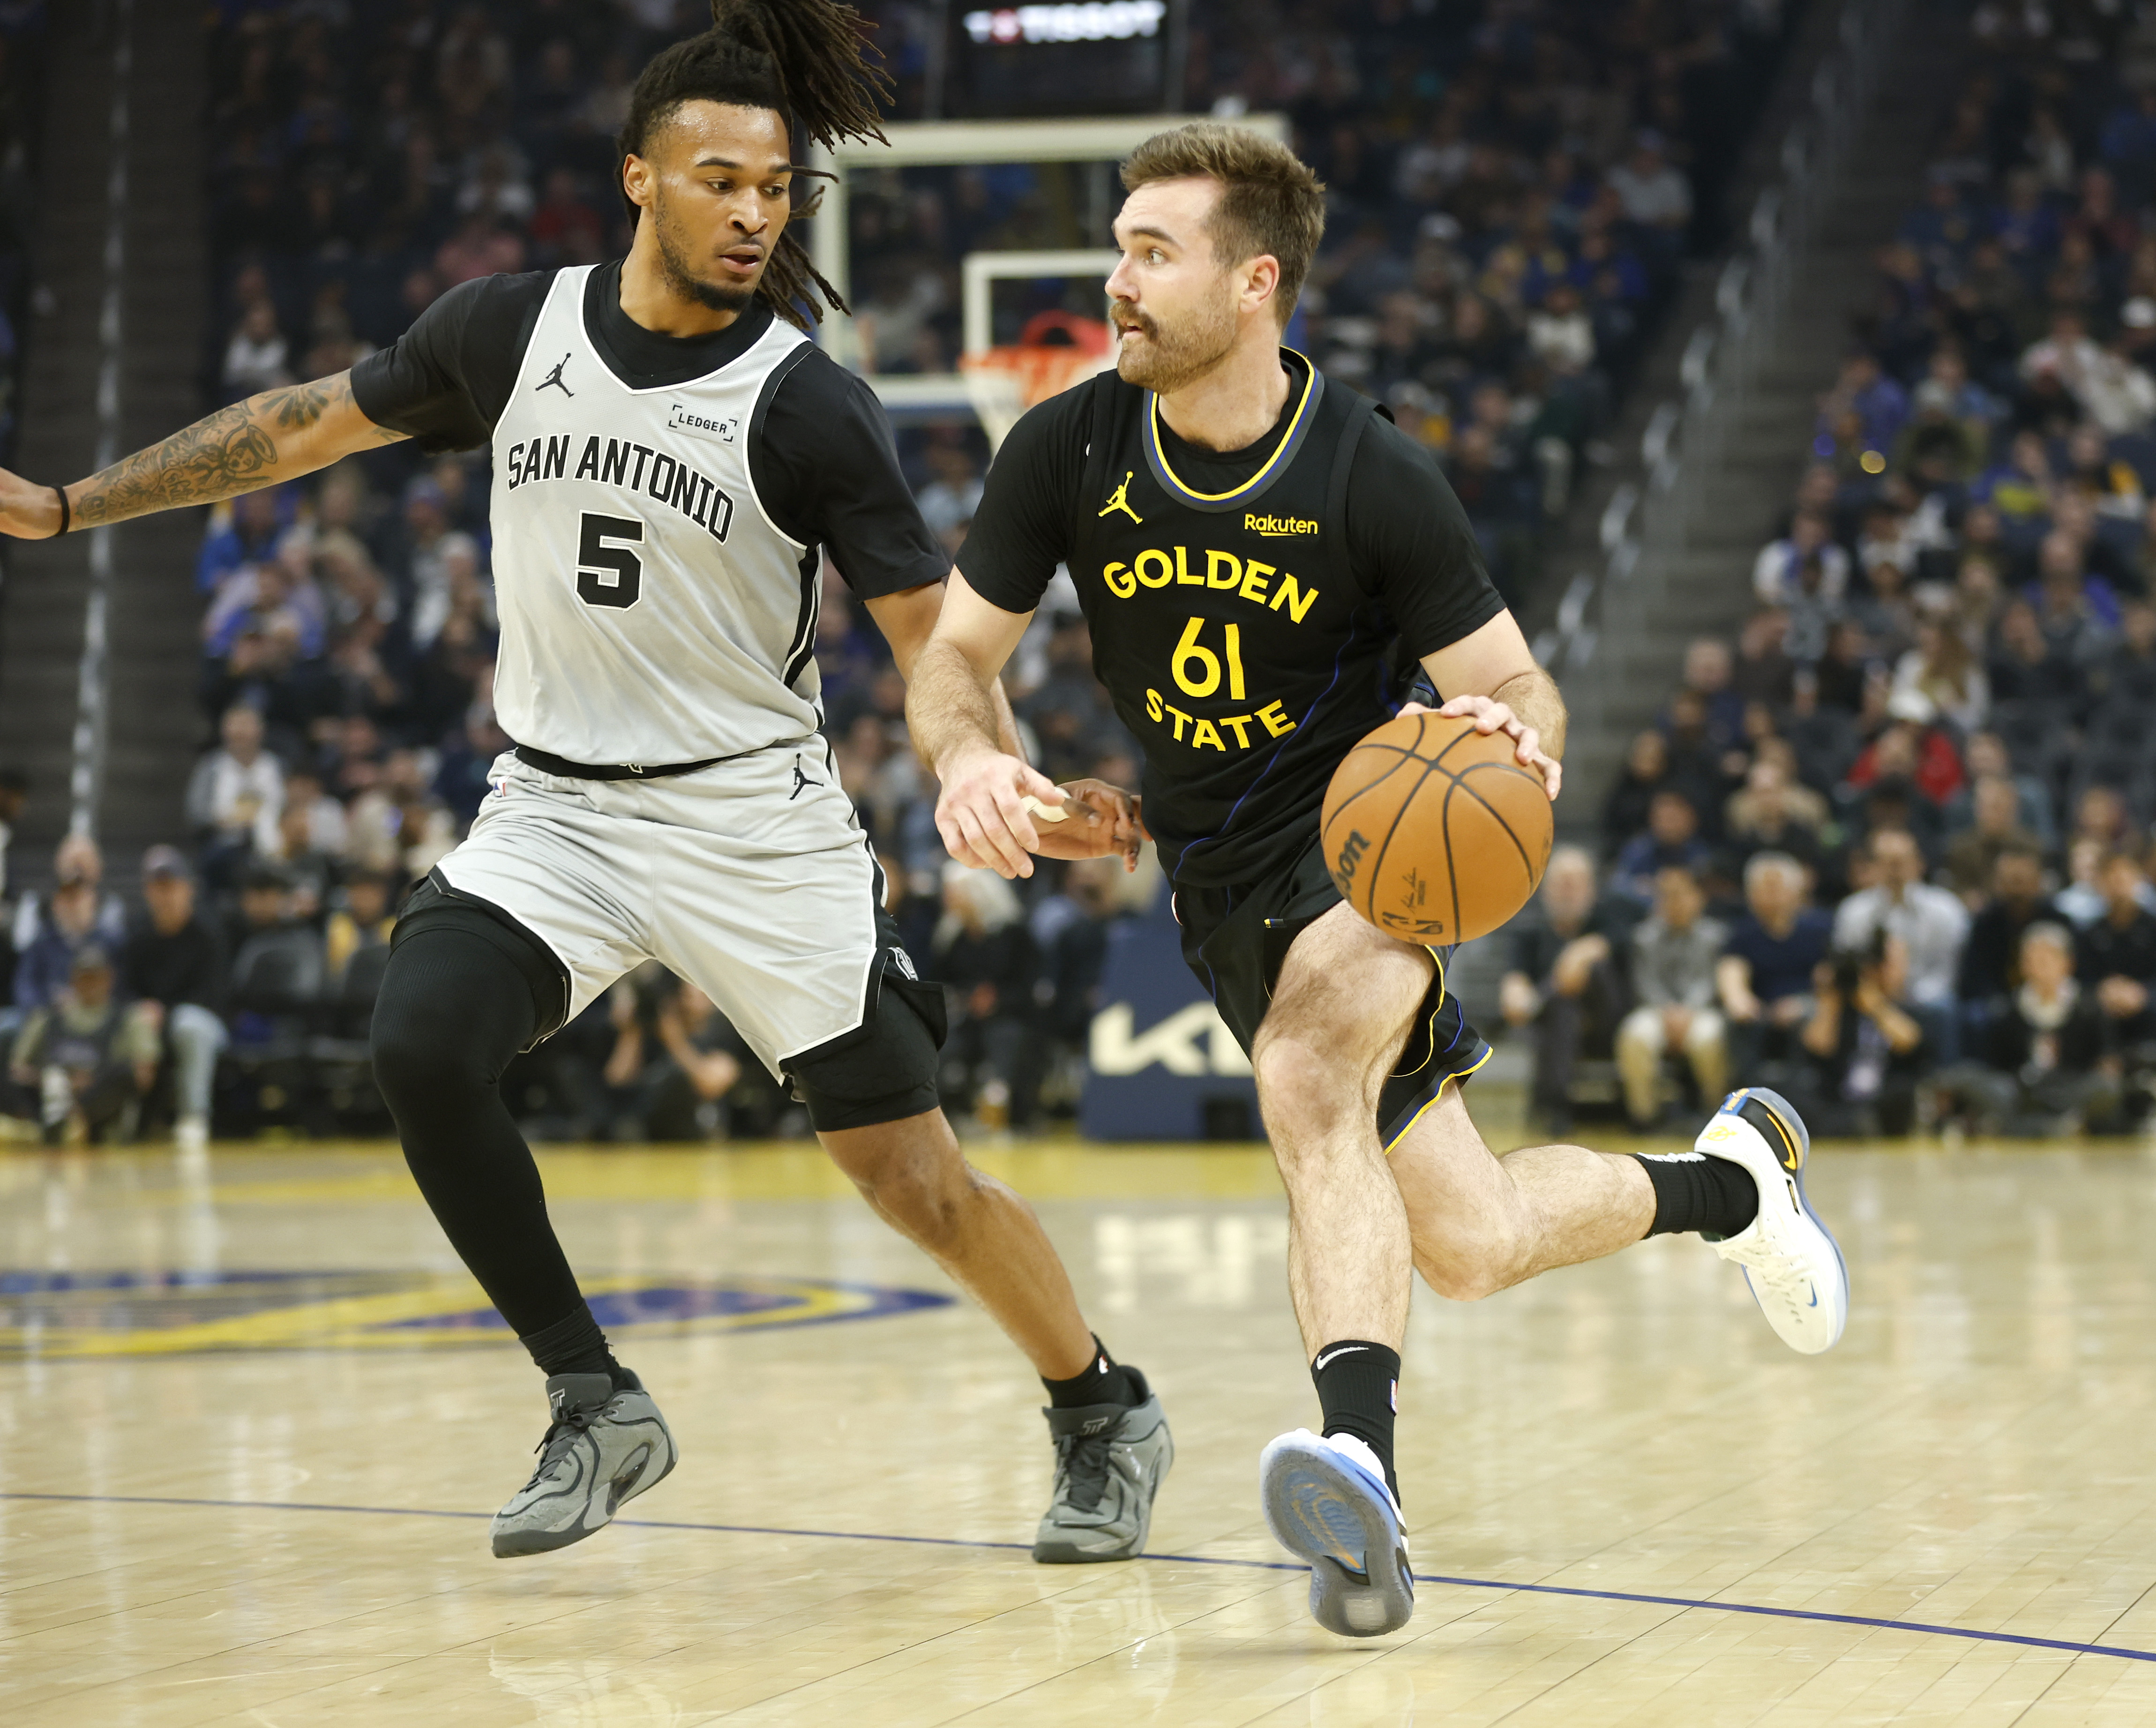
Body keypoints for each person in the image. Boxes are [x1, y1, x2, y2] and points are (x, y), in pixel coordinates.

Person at [0, 0, 1166, 1572]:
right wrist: (76, 504)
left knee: (911, 1175)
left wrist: (988, 771)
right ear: (640, 179)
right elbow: (300, 429)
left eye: (777, 189)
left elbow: (927, 640)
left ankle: (1099, 1404)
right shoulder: (509, 332)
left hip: (749, 818)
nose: (755, 211)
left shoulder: (809, 401)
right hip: (555, 805)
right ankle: (592, 1395)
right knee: (418, 1035)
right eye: (720, 180)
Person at [903, 119, 1848, 1640]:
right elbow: (955, 657)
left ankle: (1364, 1481)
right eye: (1120, 247)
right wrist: (970, 760)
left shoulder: (1371, 472)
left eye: (1155, 251)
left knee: (1304, 1081)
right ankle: (1733, 1184)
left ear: (1255, 281)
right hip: (1216, 885)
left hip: (1372, 857)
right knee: (1467, 1241)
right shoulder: (1066, 447)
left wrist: (1507, 736)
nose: (1119, 281)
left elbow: (1522, 687)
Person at [1498, 844, 1634, 1136]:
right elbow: (1516, 977)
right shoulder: (1530, 930)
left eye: (1575, 883)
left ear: (1592, 889)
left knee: (1590, 972)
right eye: (1560, 883)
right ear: (1545, 889)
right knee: (1562, 1009)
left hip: (1609, 1022)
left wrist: (1581, 952)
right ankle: (1557, 1108)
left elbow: (1615, 943)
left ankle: (1551, 1107)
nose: (1567, 891)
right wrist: (1515, 992)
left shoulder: (1611, 917)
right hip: (1560, 1025)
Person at [120, 846, 230, 1152]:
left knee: (188, 1025)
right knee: (129, 1021)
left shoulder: (208, 932)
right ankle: (125, 1116)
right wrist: (142, 1010)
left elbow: (212, 996)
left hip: (205, 1025)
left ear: (188, 889)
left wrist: (163, 1012)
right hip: (151, 1025)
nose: (165, 895)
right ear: (147, 892)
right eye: (158, 887)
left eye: (172, 886)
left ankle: (194, 1117)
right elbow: (126, 989)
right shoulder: (139, 935)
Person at [1832, 828, 1969, 1059]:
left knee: (1944, 1010)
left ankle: (1945, 1082)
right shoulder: (1853, 911)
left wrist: (1906, 998)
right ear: (1872, 867)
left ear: (1919, 863)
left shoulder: (1946, 909)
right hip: (1871, 996)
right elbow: (1847, 966)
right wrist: (1877, 998)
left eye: (1901, 861)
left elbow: (1946, 972)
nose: (1894, 870)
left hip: (1925, 997)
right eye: (1886, 862)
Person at [1614, 866, 1729, 1129]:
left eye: (1680, 895)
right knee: (1635, 1036)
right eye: (1666, 895)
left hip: (1701, 1010)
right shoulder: (1643, 937)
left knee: (1710, 1039)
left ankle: (1716, 1113)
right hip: (1656, 1010)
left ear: (1698, 898)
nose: (1674, 902)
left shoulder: (1716, 936)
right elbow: (1645, 982)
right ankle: (1645, 1116)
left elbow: (1710, 981)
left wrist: (1687, 1011)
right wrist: (1667, 1011)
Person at [9, 945, 159, 1145]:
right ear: (73, 979)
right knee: (30, 1082)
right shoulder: (48, 1018)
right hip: (50, 1092)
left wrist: (91, 1082)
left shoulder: (129, 1018)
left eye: (96, 977)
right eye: (84, 977)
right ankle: (53, 1124)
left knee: (124, 1075)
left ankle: (74, 1124)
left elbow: (144, 1075)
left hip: (98, 1100)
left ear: (109, 979)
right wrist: (50, 1081)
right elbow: (17, 1068)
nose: (91, 984)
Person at [1716, 852, 1832, 1077]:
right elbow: (1731, 972)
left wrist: (1803, 1003)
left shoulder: (1820, 929)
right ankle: (1745, 1091)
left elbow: (1829, 977)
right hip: (1761, 1011)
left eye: (1776, 887)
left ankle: (1810, 1088)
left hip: (1808, 1005)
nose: (1770, 894)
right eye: (1762, 888)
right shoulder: (1743, 934)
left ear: (1796, 891)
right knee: (1736, 1023)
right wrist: (1740, 1000)